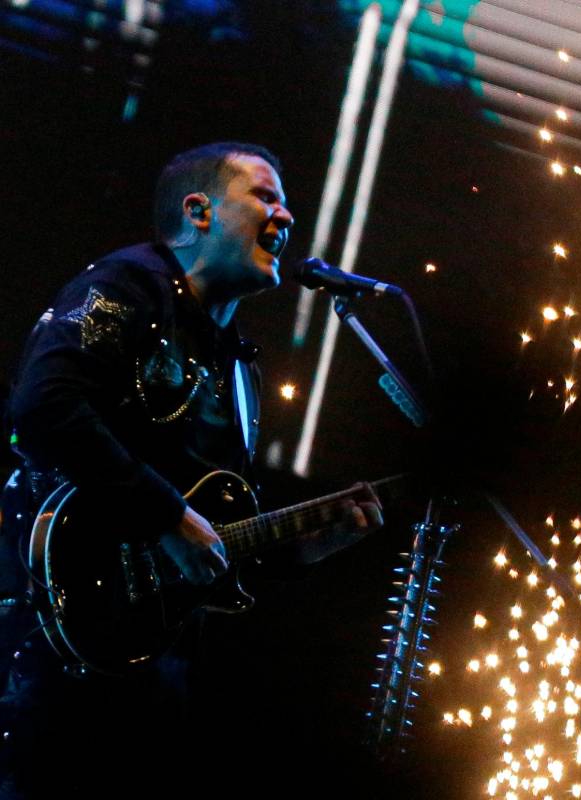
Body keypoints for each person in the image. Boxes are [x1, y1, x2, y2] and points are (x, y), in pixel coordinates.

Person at [0, 142, 382, 797]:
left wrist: (307, 549)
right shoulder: (129, 284)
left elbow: (214, 535)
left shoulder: (239, 371)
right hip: (40, 638)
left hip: (147, 679)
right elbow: (44, 404)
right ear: (199, 211)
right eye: (265, 195)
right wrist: (166, 515)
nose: (286, 215)